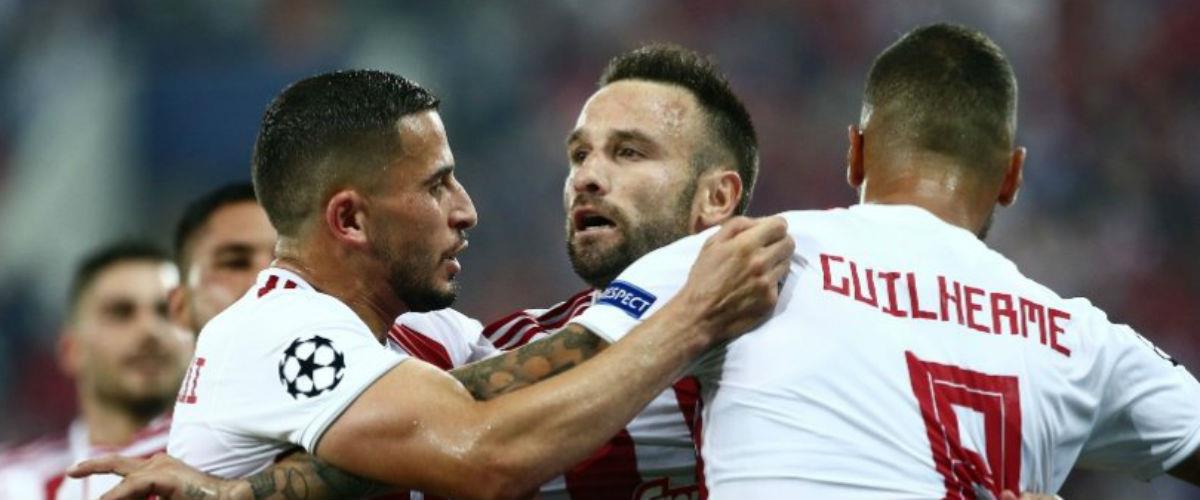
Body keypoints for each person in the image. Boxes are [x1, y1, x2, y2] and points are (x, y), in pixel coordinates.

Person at [78, 69, 791, 499]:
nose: (466, 210)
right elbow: (484, 457)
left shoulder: (426, 336)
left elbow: (540, 373)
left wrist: (245, 494)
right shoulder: (271, 332)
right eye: (437, 185)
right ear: (350, 219)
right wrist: (693, 318)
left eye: (629, 152)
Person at [567, 24, 1200, 498]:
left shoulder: (747, 260)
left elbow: (521, 413)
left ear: (856, 154)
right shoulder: (1079, 337)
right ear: (1012, 177)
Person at [0, 242, 194, 499]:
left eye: (167, 312)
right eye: (121, 313)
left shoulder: (230, 463)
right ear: (71, 350)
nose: (150, 330)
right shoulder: (15, 482)